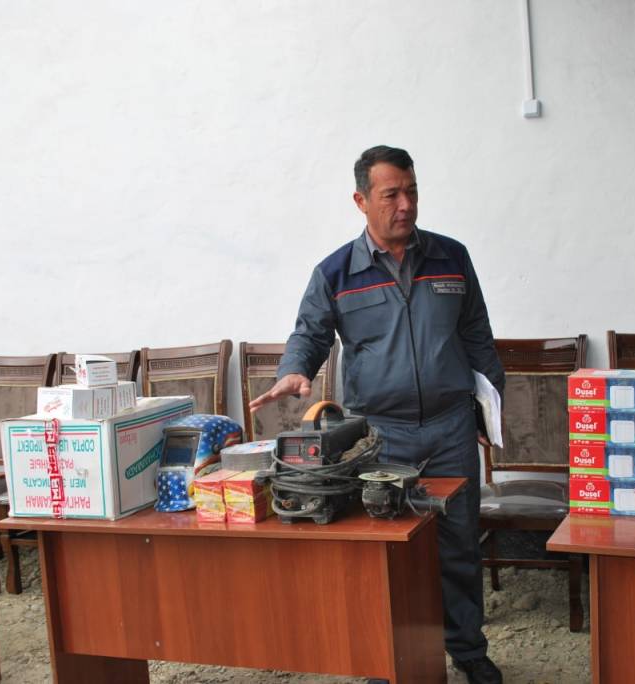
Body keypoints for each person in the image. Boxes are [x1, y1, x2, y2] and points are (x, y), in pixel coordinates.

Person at [249, 145, 505, 684]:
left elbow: (477, 335)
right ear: (361, 200)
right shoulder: (336, 272)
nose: (405, 205)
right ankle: (384, 660)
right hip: (379, 438)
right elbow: (310, 333)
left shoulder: (451, 258)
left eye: (411, 192)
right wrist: (294, 370)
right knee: (382, 554)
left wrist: (487, 413)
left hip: (450, 428)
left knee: (459, 546)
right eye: (391, 195)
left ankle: (468, 650)